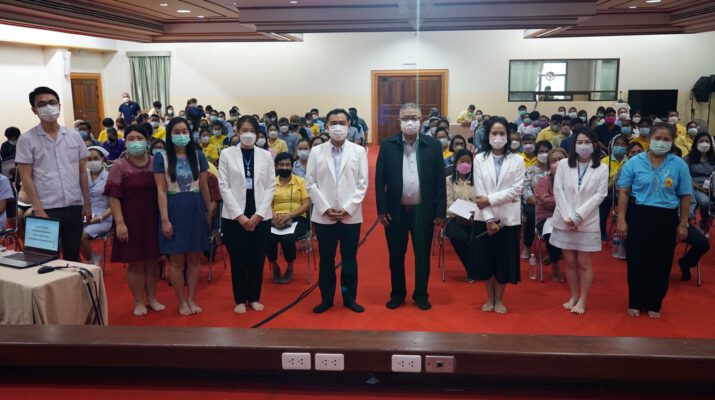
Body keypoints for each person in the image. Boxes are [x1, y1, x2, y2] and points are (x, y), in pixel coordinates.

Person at [376, 103, 446, 311]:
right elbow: (380, 180)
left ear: (421, 120)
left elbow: (440, 181)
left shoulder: (432, 145)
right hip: (395, 212)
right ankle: (397, 293)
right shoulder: (388, 145)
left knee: (422, 257)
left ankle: (421, 294)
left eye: (413, 118)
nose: (410, 122)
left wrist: (440, 211)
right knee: (396, 256)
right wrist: (381, 209)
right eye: (405, 118)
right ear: (399, 121)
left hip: (422, 212)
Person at [617, 122, 692, 318]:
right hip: (639, 215)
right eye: (657, 138)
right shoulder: (634, 162)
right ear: (649, 139)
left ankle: (654, 303)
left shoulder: (679, 165)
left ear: (673, 141)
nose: (661, 142)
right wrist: (621, 219)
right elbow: (624, 192)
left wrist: (683, 223)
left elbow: (685, 195)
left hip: (666, 218)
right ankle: (635, 301)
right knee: (636, 260)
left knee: (661, 262)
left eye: (666, 139)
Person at [16, 86, 91, 262]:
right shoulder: (27, 139)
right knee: (43, 260)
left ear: (59, 105)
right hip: (45, 208)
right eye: (42, 104)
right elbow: (26, 178)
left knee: (72, 258)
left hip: (73, 205)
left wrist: (87, 203)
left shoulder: (73, 136)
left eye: (52, 102)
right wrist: (38, 209)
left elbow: (82, 171)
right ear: (34, 110)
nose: (48, 107)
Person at [306, 109, 369, 313]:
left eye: (342, 122)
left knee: (349, 259)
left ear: (349, 125)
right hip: (324, 217)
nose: (338, 127)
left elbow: (362, 183)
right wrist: (325, 208)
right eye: (334, 123)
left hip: (351, 216)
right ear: (327, 126)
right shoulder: (316, 151)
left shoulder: (358, 151)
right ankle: (327, 298)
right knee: (326, 259)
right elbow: (310, 183)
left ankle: (349, 297)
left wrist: (347, 208)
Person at [104, 125, 164, 316]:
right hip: (130, 221)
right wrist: (120, 223)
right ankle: (138, 301)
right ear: (125, 142)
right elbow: (113, 197)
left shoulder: (156, 162)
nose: (135, 142)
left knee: (153, 261)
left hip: (153, 220)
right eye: (131, 139)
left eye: (139, 138)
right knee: (136, 262)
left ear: (147, 141)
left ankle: (152, 298)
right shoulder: (119, 166)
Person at [154, 117, 211, 316]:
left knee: (194, 260)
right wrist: (164, 219)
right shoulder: (161, 157)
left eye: (184, 132)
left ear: (190, 133)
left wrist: (208, 211)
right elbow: (161, 191)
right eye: (176, 132)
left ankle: (192, 298)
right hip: (173, 207)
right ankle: (181, 301)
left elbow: (204, 186)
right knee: (177, 261)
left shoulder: (198, 155)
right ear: (169, 135)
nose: (181, 135)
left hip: (195, 207)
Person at [219, 115, 276, 315]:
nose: (248, 135)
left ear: (258, 134)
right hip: (234, 217)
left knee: (257, 258)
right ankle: (240, 299)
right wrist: (239, 216)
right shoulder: (227, 154)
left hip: (261, 215)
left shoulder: (265, 155)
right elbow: (224, 186)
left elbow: (271, 186)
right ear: (236, 131)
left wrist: (259, 214)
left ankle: (254, 297)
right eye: (244, 130)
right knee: (238, 259)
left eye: (252, 131)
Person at [470, 116, 525, 314]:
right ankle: (489, 298)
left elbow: (516, 190)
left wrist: (489, 200)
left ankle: (500, 299)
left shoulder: (517, 160)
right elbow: (480, 192)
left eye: (502, 133)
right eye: (494, 133)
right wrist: (489, 219)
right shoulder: (479, 158)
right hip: (485, 218)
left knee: (503, 262)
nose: (498, 137)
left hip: (508, 219)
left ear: (508, 136)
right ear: (488, 135)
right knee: (487, 261)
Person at [551, 128, 609, 315]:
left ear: (595, 145)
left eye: (587, 142)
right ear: (573, 145)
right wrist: (568, 216)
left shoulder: (602, 168)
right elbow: (558, 190)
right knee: (569, 262)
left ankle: (583, 299)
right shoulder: (563, 165)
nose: (583, 146)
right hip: (564, 218)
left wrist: (577, 216)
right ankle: (574, 296)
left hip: (587, 220)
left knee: (584, 263)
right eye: (579, 142)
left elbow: (600, 195)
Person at [267, 152, 311, 284]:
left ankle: (290, 267)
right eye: (281, 165)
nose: (284, 167)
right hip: (275, 219)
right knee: (268, 238)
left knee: (287, 239)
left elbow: (306, 204)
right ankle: (275, 266)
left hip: (297, 218)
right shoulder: (270, 183)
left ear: (292, 166)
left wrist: (290, 215)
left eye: (287, 165)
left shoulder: (301, 182)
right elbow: (267, 203)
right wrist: (274, 216)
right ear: (276, 166)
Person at [535, 148, 568, 282]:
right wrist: (565, 199)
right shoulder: (544, 180)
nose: (557, 163)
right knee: (552, 232)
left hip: (569, 215)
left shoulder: (573, 179)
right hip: (547, 217)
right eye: (553, 160)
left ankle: (558, 256)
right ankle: (555, 264)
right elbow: (546, 202)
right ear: (549, 165)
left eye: (560, 159)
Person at [444, 149, 477, 281]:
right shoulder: (448, 181)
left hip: (475, 217)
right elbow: (448, 203)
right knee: (460, 238)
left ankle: (477, 268)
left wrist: (474, 213)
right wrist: (462, 213)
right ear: (456, 163)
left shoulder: (478, 180)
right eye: (462, 161)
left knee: (476, 238)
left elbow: (481, 199)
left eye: (468, 162)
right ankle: (472, 270)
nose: (465, 164)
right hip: (454, 218)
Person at [79, 146, 113, 265]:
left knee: (80, 235)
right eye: (89, 159)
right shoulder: (84, 176)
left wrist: (99, 218)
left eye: (96, 158)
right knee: (69, 232)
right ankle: (92, 256)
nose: (92, 161)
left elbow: (113, 206)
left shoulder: (110, 177)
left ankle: (90, 262)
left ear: (103, 159)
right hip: (85, 216)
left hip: (103, 218)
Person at [521, 139, 552, 258]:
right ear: (536, 154)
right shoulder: (530, 170)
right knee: (531, 215)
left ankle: (553, 250)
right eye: (541, 152)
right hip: (534, 203)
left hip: (553, 203)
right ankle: (527, 246)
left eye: (547, 151)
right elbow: (526, 190)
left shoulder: (554, 170)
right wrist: (538, 202)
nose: (544, 154)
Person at [598, 134, 629, 240]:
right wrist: (613, 183)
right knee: (605, 201)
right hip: (609, 190)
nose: (620, 147)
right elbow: (600, 182)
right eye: (617, 144)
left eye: (622, 145)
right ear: (612, 146)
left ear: (627, 147)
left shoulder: (630, 162)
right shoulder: (605, 161)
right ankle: (602, 229)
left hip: (625, 191)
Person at [684, 132, 715, 232]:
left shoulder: (713, 158)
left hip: (711, 187)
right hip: (694, 187)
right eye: (701, 141)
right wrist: (699, 187)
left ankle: (709, 221)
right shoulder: (689, 158)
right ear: (696, 143)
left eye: (707, 141)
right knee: (705, 202)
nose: (704, 144)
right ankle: (704, 223)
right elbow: (685, 176)